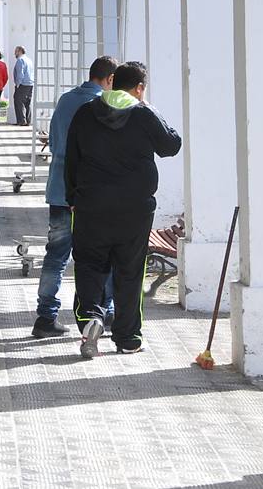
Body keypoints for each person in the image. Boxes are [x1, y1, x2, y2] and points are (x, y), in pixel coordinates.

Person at [66, 61, 182, 358]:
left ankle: (91, 316)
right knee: (129, 271)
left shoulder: (85, 113)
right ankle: (128, 338)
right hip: (134, 208)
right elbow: (171, 145)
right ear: (140, 88)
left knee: (90, 264)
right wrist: (149, 108)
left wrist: (72, 197)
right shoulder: (143, 113)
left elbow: (72, 159)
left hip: (91, 204)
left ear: (113, 81)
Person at [33, 56, 119, 339]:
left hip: (58, 189)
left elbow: (56, 143)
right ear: (109, 80)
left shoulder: (66, 100)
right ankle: (103, 311)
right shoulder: (101, 106)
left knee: (56, 256)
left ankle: (45, 316)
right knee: (100, 255)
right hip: (88, 195)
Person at [13, 46, 35, 126]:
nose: (14, 53)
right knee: (27, 103)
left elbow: (20, 74)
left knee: (18, 101)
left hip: (23, 84)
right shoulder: (29, 60)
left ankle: (21, 121)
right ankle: (28, 121)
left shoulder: (20, 60)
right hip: (30, 84)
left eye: (15, 51)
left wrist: (18, 84)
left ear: (20, 51)